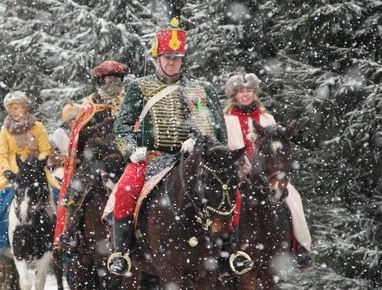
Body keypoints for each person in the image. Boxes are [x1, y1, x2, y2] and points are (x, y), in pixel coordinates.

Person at [105, 19, 253, 276]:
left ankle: (232, 251)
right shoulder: (139, 87)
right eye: (167, 57)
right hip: (151, 157)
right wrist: (131, 150)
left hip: (195, 157)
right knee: (127, 189)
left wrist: (199, 142)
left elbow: (216, 130)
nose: (172, 62)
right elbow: (122, 127)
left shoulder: (201, 89)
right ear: (157, 58)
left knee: (230, 189)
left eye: (177, 58)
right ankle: (122, 252)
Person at [223, 71, 313, 268]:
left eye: (249, 91)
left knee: (292, 198)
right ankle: (224, 251)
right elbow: (225, 147)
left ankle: (298, 246)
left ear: (255, 93)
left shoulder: (267, 118)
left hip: (266, 174)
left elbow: (277, 149)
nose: (245, 95)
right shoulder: (226, 119)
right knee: (224, 204)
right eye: (240, 92)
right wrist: (240, 166)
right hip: (237, 173)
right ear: (234, 95)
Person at [0, 91, 61, 259]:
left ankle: (58, 241)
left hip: (36, 170)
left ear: (24, 108)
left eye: (16, 107)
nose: (13, 111)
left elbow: (45, 148)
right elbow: (1, 153)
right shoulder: (5, 130)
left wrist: (37, 164)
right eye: (10, 109)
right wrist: (7, 170)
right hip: (12, 170)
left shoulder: (37, 126)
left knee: (58, 196)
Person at [53, 60, 129, 250]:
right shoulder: (91, 103)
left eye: (117, 78)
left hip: (126, 153)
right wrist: (99, 129)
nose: (113, 83)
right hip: (98, 155)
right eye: (109, 79)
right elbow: (79, 133)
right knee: (79, 183)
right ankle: (70, 229)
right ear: (101, 81)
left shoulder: (130, 100)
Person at [48, 102, 81, 179]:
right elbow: (53, 155)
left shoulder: (82, 131)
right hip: (64, 166)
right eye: (70, 120)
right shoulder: (60, 133)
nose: (73, 122)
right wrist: (63, 162)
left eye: (74, 119)